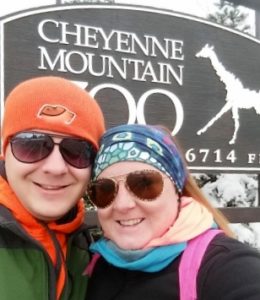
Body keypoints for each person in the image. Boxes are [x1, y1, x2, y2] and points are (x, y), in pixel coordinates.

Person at [85, 124, 260, 300]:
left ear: (177, 191)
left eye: (144, 184)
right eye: (105, 190)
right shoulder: (96, 263)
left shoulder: (226, 266)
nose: (122, 204)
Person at [0, 76, 105, 300]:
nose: (55, 168)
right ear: (5, 151)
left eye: (77, 151)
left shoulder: (86, 248)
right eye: (32, 144)